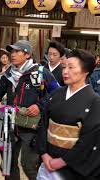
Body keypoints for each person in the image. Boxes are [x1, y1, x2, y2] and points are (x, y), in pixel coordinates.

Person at [0, 40, 59, 180]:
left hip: (31, 128)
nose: (12, 55)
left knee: (29, 165)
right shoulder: (9, 73)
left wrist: (39, 106)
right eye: (12, 52)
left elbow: (57, 93)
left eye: (17, 51)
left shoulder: (40, 73)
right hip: (10, 125)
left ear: (27, 55)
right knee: (7, 165)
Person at [37, 49, 100, 179]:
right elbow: (43, 124)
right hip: (48, 159)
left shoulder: (94, 101)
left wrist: (62, 161)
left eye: (71, 67)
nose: (65, 71)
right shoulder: (56, 94)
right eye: (64, 66)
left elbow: (88, 140)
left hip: (72, 166)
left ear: (86, 71)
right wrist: (43, 153)